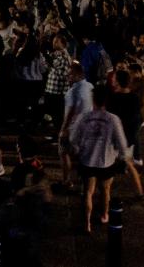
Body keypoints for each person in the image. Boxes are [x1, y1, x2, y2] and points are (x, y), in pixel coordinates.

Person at [70, 85, 142, 234]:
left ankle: (87, 222)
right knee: (105, 189)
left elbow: (73, 138)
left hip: (87, 160)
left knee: (88, 191)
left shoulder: (84, 117)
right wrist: (122, 156)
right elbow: (122, 143)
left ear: (93, 99)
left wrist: (78, 149)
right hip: (106, 161)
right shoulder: (113, 119)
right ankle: (104, 215)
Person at [58, 61, 92, 191]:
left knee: (64, 152)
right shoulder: (90, 86)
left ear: (77, 75)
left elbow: (70, 112)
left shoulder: (72, 92)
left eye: (70, 75)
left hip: (73, 128)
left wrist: (63, 129)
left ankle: (66, 180)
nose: (67, 77)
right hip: (87, 127)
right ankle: (84, 184)